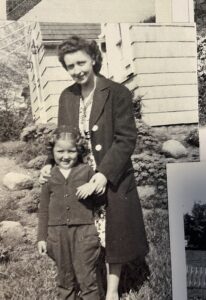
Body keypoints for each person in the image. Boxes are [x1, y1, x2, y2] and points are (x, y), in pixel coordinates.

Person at [40, 35, 148, 300]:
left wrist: (104, 173)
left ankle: (111, 291)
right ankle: (85, 278)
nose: (77, 70)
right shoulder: (67, 97)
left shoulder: (116, 92)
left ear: (93, 59)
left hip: (111, 173)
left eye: (81, 63)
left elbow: (126, 139)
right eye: (70, 66)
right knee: (86, 231)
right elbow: (62, 136)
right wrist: (48, 163)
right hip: (79, 176)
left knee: (113, 232)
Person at [37, 126, 102, 300]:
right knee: (65, 279)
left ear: (78, 150)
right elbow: (43, 208)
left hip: (84, 232)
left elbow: (99, 203)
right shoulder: (49, 175)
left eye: (71, 151)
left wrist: (94, 188)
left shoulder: (86, 171)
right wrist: (42, 237)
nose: (65, 156)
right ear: (52, 152)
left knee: (87, 277)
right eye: (60, 151)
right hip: (57, 235)